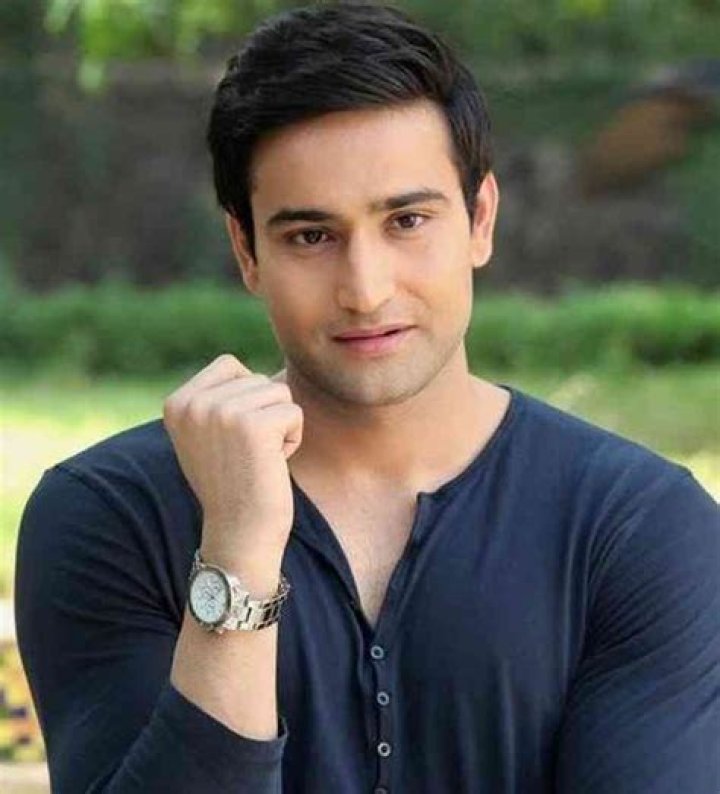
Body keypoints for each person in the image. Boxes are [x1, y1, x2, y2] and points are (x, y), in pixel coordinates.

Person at [14, 4, 719, 793]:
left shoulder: (639, 527)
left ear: (480, 219)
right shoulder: (111, 514)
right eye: (311, 236)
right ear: (246, 249)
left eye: (407, 220)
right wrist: (237, 555)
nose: (365, 289)